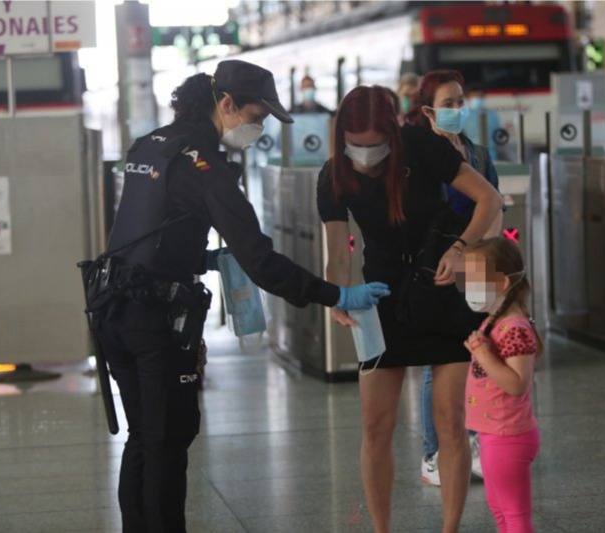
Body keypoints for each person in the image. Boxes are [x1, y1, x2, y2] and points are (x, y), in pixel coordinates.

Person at [96, 60, 389, 533]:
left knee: (146, 440)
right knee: (168, 442)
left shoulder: (151, 144)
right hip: (156, 323)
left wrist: (202, 259)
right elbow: (261, 260)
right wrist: (334, 294)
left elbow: (147, 229)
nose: (261, 126)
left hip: (115, 311)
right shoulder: (207, 167)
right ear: (227, 104)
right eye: (258, 116)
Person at [317, 85, 502, 533]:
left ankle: (450, 528)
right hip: (380, 297)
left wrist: (461, 248)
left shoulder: (422, 146)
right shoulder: (334, 172)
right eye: (355, 144)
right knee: (376, 427)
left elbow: (488, 199)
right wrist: (336, 297)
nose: (365, 153)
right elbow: (338, 255)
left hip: (443, 288)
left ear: (392, 132)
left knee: (450, 422)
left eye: (374, 143)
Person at [406, 69, 502, 486]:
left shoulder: (477, 153)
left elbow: (495, 204)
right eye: (448, 104)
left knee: (478, 355)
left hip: (477, 262)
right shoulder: (420, 156)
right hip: (439, 265)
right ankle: (434, 454)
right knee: (439, 360)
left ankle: (474, 443)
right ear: (427, 111)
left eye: (460, 102)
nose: (457, 110)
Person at [462, 237, 543, 533]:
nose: (468, 287)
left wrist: (483, 354)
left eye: (474, 279)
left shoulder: (515, 329)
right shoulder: (494, 321)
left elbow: (518, 384)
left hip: (508, 437)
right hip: (494, 433)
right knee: (499, 510)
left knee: (515, 514)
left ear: (502, 282)